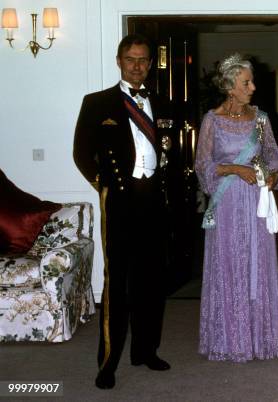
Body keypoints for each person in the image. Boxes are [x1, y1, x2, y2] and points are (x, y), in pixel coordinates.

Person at [73, 33, 174, 389]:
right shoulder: (97, 102)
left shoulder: (162, 102)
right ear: (119, 61)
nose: (136, 66)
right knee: (117, 283)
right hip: (119, 199)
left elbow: (171, 153)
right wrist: (105, 184)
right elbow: (81, 153)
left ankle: (145, 350)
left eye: (143, 60)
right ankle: (108, 361)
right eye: (130, 59)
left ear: (150, 64)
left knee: (151, 279)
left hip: (153, 201)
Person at [195, 53, 278, 362]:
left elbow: (273, 155)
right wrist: (234, 168)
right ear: (230, 87)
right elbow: (203, 165)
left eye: (251, 81)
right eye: (246, 82)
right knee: (230, 264)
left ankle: (260, 339)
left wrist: (272, 174)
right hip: (228, 203)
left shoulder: (260, 118)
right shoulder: (212, 119)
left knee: (257, 264)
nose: (253, 87)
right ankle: (230, 339)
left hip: (256, 201)